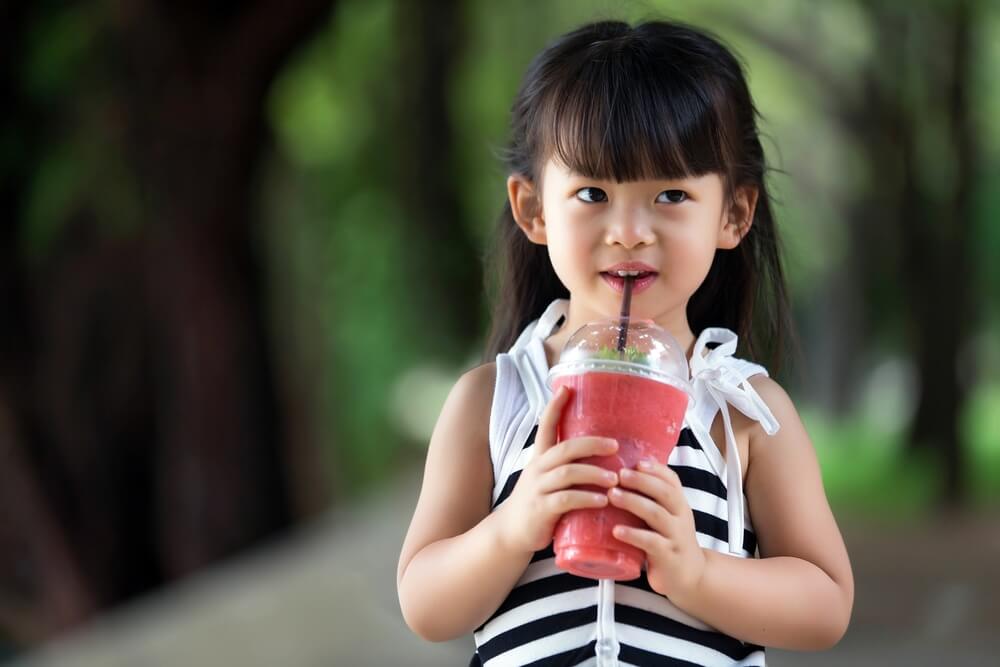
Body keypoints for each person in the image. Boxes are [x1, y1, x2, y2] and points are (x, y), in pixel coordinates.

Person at [397, 18, 853, 667]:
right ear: (533, 209)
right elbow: (424, 600)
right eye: (592, 193)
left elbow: (826, 602)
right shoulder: (494, 402)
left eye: (671, 194)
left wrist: (696, 573)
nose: (630, 231)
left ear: (733, 214)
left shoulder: (744, 411)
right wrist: (514, 526)